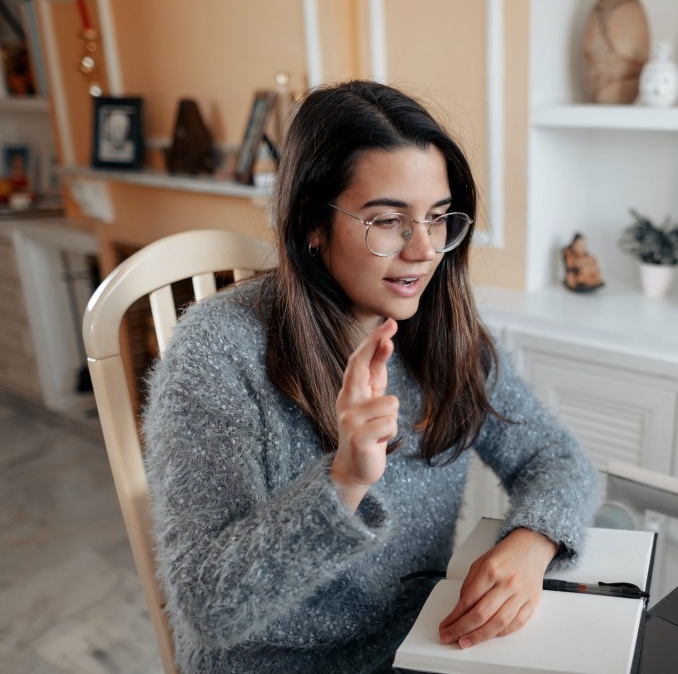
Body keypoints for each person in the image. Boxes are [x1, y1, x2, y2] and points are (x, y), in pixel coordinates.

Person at [142, 80, 597, 673]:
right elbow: (209, 606)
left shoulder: (444, 330)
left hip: (422, 646)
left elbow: (555, 457)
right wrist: (343, 481)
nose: (423, 251)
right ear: (312, 222)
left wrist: (532, 543)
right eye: (389, 221)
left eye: (437, 219)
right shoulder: (218, 351)